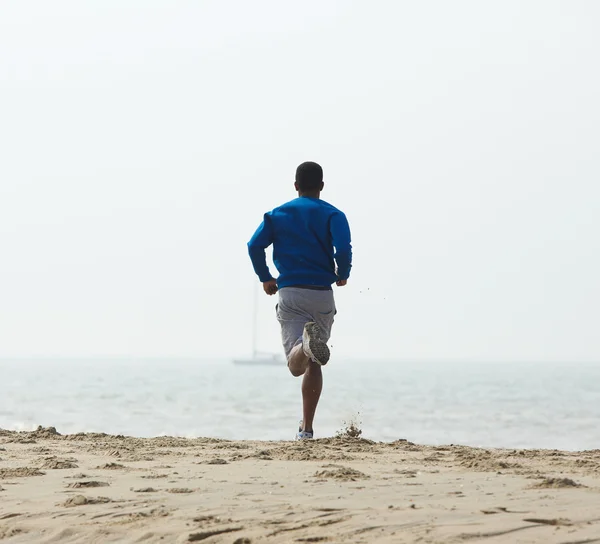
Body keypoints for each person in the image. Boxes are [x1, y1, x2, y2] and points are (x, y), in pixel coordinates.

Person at [247, 161, 352, 439]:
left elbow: (254, 245)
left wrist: (265, 276)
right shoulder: (334, 214)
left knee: (297, 365)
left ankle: (305, 345)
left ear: (296, 186)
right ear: (322, 186)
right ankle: (306, 429)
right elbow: (343, 247)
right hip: (322, 294)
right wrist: (344, 272)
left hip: (292, 292)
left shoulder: (277, 214)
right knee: (315, 360)